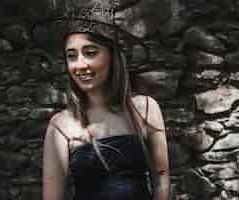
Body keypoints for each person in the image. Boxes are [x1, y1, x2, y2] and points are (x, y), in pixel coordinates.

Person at [41, 1, 170, 200]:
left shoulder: (145, 109)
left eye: (91, 53)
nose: (80, 65)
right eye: (71, 56)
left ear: (112, 56)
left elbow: (161, 182)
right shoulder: (61, 125)